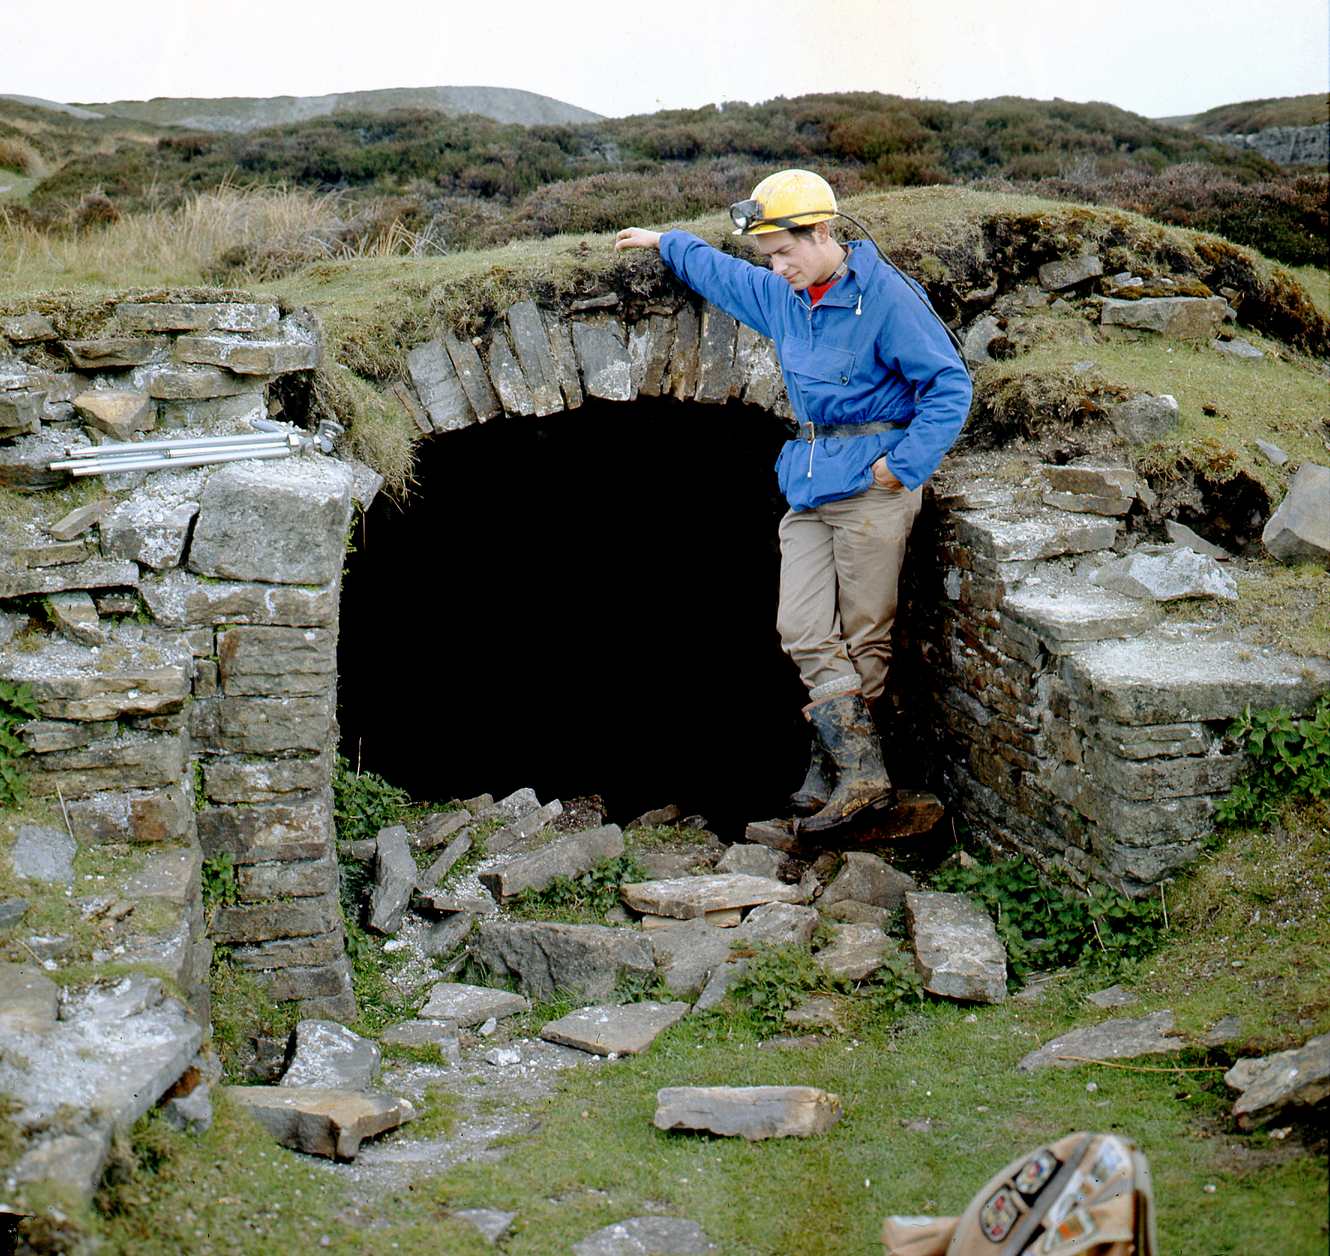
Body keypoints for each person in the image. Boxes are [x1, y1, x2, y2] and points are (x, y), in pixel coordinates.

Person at [615, 169, 971, 836]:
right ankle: (855, 769)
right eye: (769, 257)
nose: (776, 269)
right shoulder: (785, 295)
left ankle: (845, 776)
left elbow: (949, 386)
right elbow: (720, 276)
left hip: (872, 483)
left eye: (784, 252)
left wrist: (903, 466)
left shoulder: (886, 298)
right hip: (809, 480)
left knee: (865, 631)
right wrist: (669, 240)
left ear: (823, 233)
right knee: (803, 627)